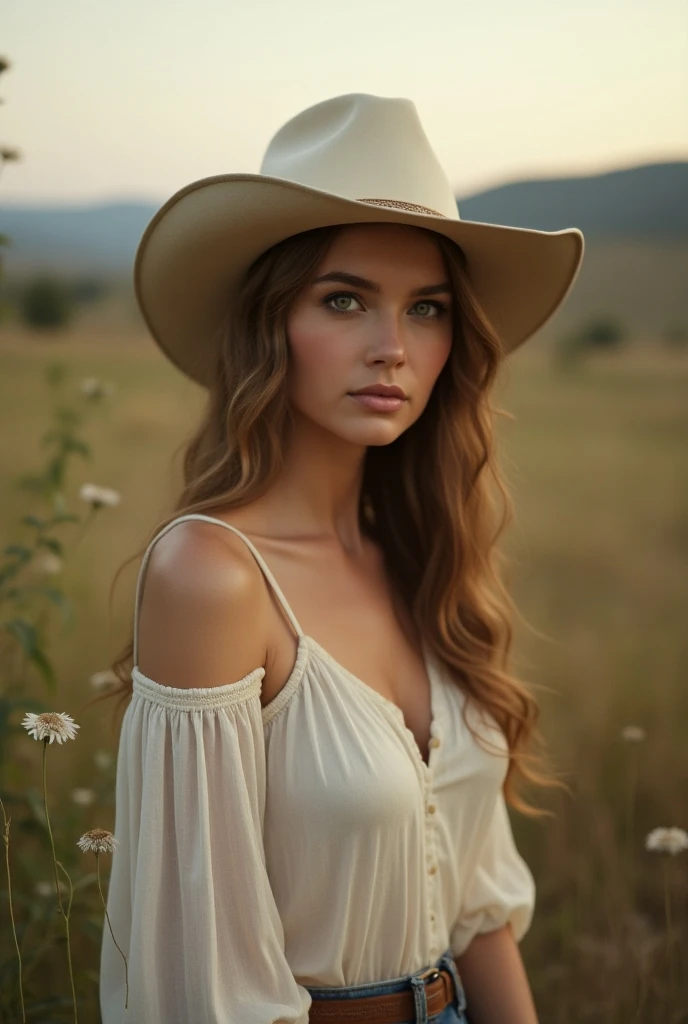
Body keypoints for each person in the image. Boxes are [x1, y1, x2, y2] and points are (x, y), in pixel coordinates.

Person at [97, 93, 584, 1023]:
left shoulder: (423, 559)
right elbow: (199, 988)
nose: (393, 348)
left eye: (427, 309)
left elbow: (479, 910)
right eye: (345, 299)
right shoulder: (212, 578)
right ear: (269, 324)